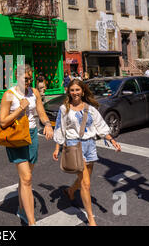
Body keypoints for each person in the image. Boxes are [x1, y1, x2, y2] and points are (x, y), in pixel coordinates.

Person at [52, 79, 121, 226]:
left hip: (90, 145)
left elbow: (100, 125)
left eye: (78, 90)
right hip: (74, 145)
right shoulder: (64, 109)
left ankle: (71, 191)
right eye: (72, 90)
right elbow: (60, 128)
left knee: (84, 180)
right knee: (86, 184)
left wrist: (112, 140)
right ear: (68, 92)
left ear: (83, 91)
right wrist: (58, 148)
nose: (75, 93)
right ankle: (91, 219)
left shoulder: (90, 109)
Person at [0, 64, 54, 226]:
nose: (29, 81)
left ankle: (22, 209)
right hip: (16, 136)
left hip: (31, 136)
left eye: (31, 78)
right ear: (17, 76)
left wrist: (47, 124)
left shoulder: (34, 92)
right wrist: (19, 109)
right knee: (27, 178)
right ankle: (32, 222)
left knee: (25, 178)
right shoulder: (9, 94)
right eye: (26, 78)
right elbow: (3, 122)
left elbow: (41, 112)